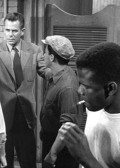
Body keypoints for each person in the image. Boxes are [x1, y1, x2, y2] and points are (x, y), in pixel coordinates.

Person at [0, 12, 51, 168]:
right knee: (5, 162)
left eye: (14, 31)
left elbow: (44, 71)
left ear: (22, 31)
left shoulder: (34, 50)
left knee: (28, 161)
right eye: (7, 30)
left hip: (26, 116)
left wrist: (61, 75)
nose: (10, 35)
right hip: (2, 116)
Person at [40, 35, 82, 168]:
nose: (43, 55)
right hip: (50, 138)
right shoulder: (59, 73)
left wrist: (53, 153)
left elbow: (67, 126)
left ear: (52, 57)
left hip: (61, 149)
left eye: (45, 52)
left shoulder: (67, 87)